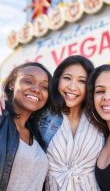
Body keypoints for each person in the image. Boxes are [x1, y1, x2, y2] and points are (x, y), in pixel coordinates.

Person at [0, 56, 104, 191]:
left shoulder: (100, 118)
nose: (72, 87)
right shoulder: (39, 116)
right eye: (67, 78)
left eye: (82, 81)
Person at [0, 62, 52, 191]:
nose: (36, 89)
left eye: (44, 87)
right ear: (12, 84)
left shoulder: (39, 133)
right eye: (28, 81)